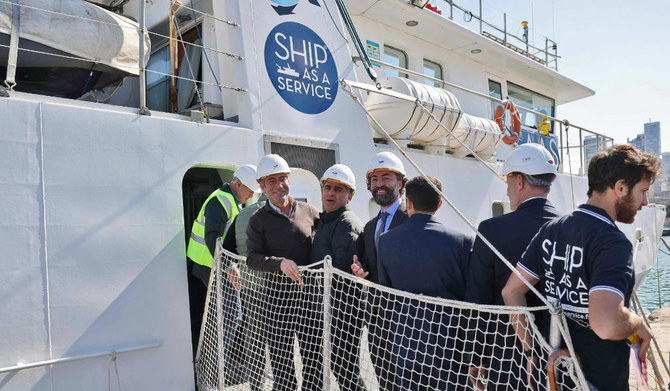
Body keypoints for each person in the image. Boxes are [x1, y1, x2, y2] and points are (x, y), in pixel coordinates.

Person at [502, 144, 659, 391]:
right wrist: (638, 324)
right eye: (642, 191)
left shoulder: (551, 230)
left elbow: (511, 291)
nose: (645, 202)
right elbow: (606, 325)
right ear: (620, 188)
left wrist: (531, 349)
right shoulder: (612, 242)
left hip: (556, 375)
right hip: (599, 379)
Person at [465, 143, 560, 390]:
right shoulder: (569, 228)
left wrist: (475, 358)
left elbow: (479, 300)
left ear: (519, 181)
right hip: (560, 354)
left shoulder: (491, 230)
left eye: (507, 182)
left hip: (506, 357)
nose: (507, 191)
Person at [377, 175, 472, 390]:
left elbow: (386, 292)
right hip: (451, 348)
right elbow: (470, 297)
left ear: (408, 202)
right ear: (440, 203)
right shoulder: (462, 242)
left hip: (406, 345)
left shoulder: (386, 241)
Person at [245, 154, 323, 391]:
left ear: (289, 180)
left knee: (314, 363)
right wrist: (279, 263)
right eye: (272, 181)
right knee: (282, 365)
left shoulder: (310, 211)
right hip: (277, 301)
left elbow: (327, 242)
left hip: (309, 298)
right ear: (262, 187)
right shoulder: (256, 220)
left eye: (283, 179)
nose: (279, 186)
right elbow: (252, 259)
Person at [186, 164, 259, 383]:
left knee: (225, 317)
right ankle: (215, 369)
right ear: (238, 184)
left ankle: (215, 366)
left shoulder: (232, 200)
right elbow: (213, 238)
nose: (251, 195)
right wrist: (229, 268)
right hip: (212, 267)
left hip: (216, 266)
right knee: (230, 317)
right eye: (249, 190)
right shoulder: (221, 200)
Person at [351, 151, 408, 390]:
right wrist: (359, 269)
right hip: (377, 318)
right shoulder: (371, 225)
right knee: (384, 379)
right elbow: (368, 262)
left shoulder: (411, 220)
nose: (379, 184)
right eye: (375, 179)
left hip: (406, 319)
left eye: (386, 177)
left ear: (401, 183)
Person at [311, 164, 366, 391]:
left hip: (342, 311)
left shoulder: (346, 224)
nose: (331, 193)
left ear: (350, 196)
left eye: (338, 190)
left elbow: (343, 277)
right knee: (341, 367)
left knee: (345, 369)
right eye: (328, 188)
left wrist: (334, 314)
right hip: (329, 308)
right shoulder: (328, 220)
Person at [234, 193, 268, 391]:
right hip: (276, 287)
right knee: (279, 341)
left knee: (254, 340)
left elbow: (231, 246)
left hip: (250, 287)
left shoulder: (243, 214)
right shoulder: (276, 215)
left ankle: (256, 385)